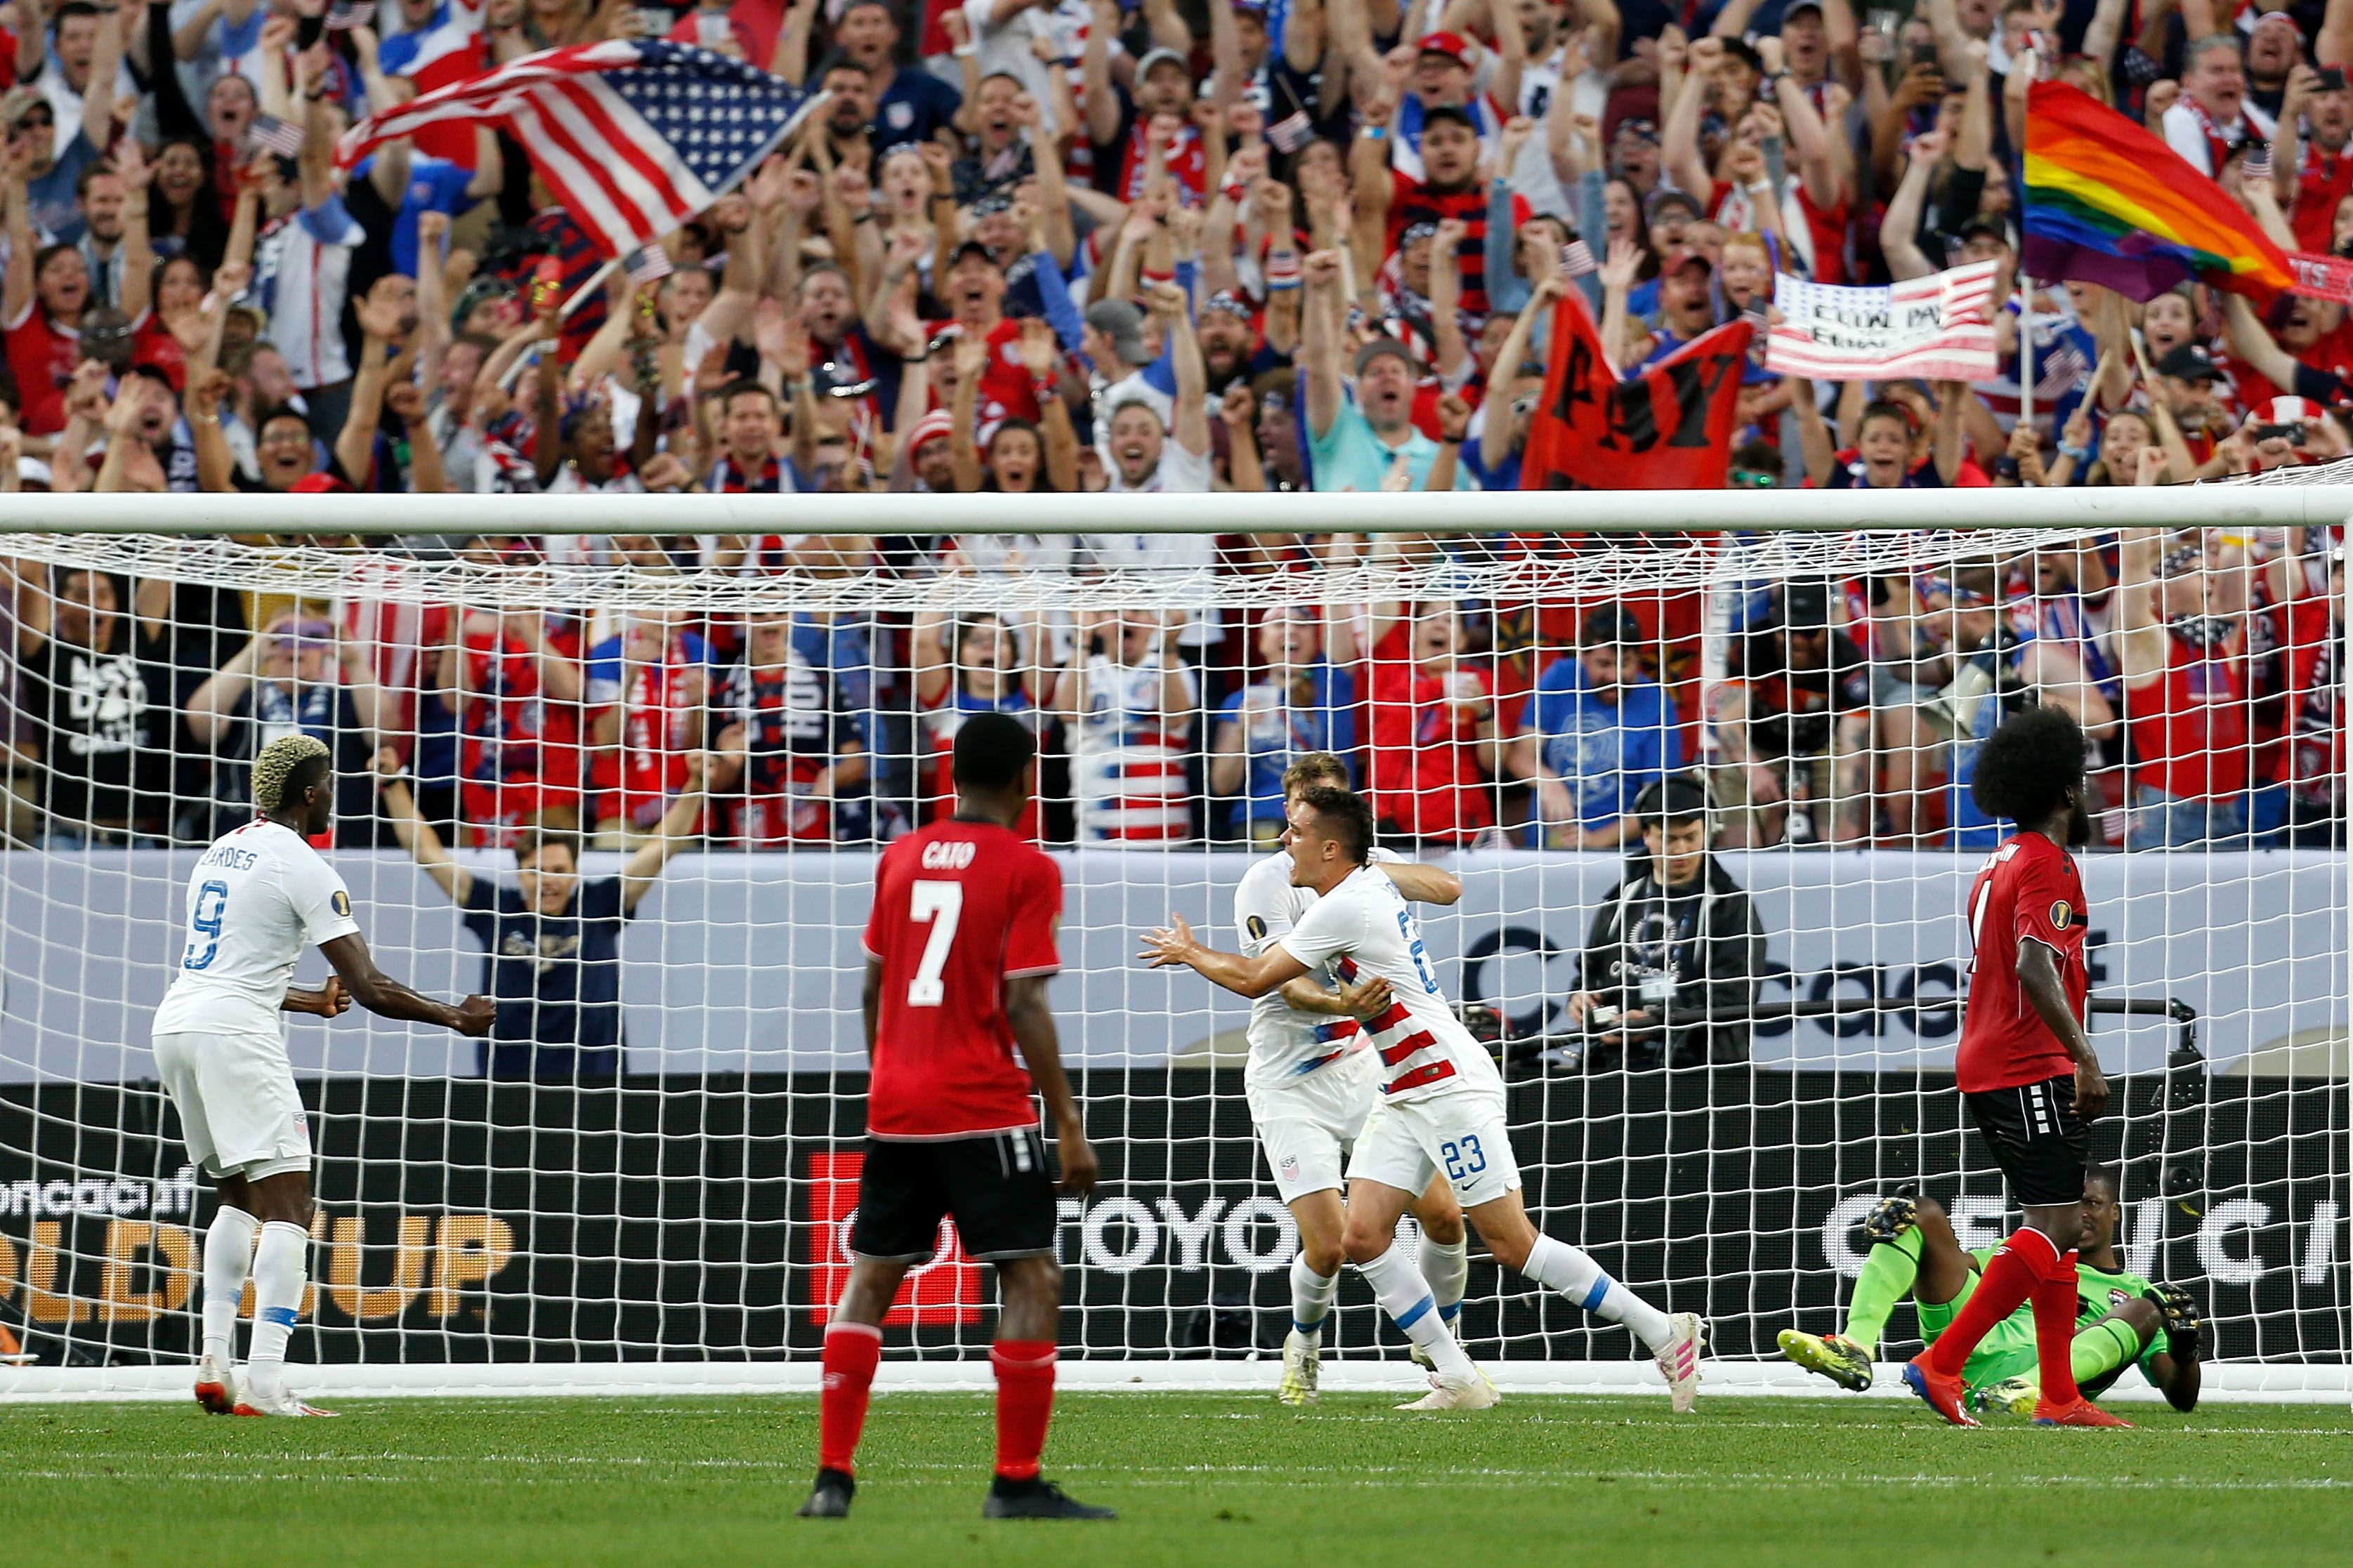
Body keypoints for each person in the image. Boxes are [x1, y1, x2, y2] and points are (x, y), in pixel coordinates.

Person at [1142, 785, 1704, 1414]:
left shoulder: (1346, 904)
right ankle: (1457, 1376)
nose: (1284, 841)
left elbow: (1254, 979)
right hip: (1402, 1085)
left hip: (1446, 1084)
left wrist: (1189, 951)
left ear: (1330, 848)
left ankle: (1662, 1330)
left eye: (1295, 830)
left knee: (1513, 1243)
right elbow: (1432, 887)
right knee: (1362, 1236)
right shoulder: (1364, 885)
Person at [799, 713, 1110, 1522]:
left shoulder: (899, 856)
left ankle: (832, 1477)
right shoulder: (1027, 867)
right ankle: (1014, 1480)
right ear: (1025, 780)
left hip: (896, 1103)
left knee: (870, 1277)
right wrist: (1067, 1121)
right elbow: (1022, 1000)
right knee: (1031, 1274)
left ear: (951, 776)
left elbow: (871, 988)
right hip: (980, 1104)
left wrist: (892, 1074)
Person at [150, 734, 494, 1417]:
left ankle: (214, 1358)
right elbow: (368, 984)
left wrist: (309, 998)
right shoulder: (302, 863)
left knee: (235, 1198)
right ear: (310, 794)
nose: (334, 791)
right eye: (329, 782)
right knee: (291, 1207)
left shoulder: (220, 850)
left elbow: (235, 970)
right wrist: (454, 1016)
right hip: (233, 1034)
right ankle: (267, 1382)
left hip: (178, 1024)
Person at [1899, 706, 2127, 1430]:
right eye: (2081, 779)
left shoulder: (1998, 860)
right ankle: (1941, 1363)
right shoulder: (2047, 862)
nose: (2086, 789)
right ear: (2063, 789)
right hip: (2025, 1060)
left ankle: (2058, 1395)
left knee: (2050, 1223)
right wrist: (2083, 1055)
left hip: (1991, 1055)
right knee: (2055, 1223)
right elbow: (2034, 963)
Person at [1236, 753, 1472, 1406]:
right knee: (1331, 1244)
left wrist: (1372, 868)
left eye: (1331, 802)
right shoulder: (1267, 881)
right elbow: (1286, 988)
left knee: (1448, 1218)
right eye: (1303, 804)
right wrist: (1346, 1006)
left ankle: (1441, 1347)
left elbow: (1449, 887)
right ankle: (1304, 1346)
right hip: (1290, 1082)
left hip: (1365, 1069)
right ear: (1291, 811)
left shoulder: (1364, 867)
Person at [372, 746, 709, 1079]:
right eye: (537, 870)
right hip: (509, 1084)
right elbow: (426, 851)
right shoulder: (496, 908)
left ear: (575, 874)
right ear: (520, 874)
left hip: (595, 1081)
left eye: (559, 870)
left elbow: (664, 845)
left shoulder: (599, 905)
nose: (548, 880)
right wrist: (391, 784)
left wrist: (695, 783)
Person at [1778, 1170, 2203, 1416]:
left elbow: (2181, 1398)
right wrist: (1907, 1230)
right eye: (2070, 1203)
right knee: (1920, 1213)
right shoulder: (2031, 1252)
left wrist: (2186, 1351)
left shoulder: (2137, 1293)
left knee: (2145, 1310)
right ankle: (1856, 1345)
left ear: (2115, 1212)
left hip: (2041, 1375)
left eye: (2091, 1203)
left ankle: (2025, 1389)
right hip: (1967, 1349)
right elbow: (1959, 1264)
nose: (2079, 1213)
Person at [1564, 775, 1766, 1069]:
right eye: (1669, 839)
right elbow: (1590, 970)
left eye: (1691, 838)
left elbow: (1733, 998)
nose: (1681, 850)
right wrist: (1581, 999)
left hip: (1701, 1069)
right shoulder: (1623, 896)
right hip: (1614, 1062)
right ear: (1646, 835)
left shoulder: (1730, 905)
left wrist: (1655, 1021)